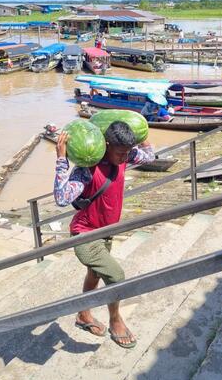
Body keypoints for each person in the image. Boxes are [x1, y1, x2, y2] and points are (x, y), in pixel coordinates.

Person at [54, 122, 154, 347]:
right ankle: (115, 320)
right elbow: (61, 198)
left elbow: (150, 157)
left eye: (127, 153)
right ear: (106, 145)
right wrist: (62, 159)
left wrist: (142, 131)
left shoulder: (125, 157)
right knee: (116, 277)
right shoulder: (87, 170)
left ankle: (83, 314)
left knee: (95, 274)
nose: (124, 158)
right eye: (120, 153)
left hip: (107, 232)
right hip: (85, 235)